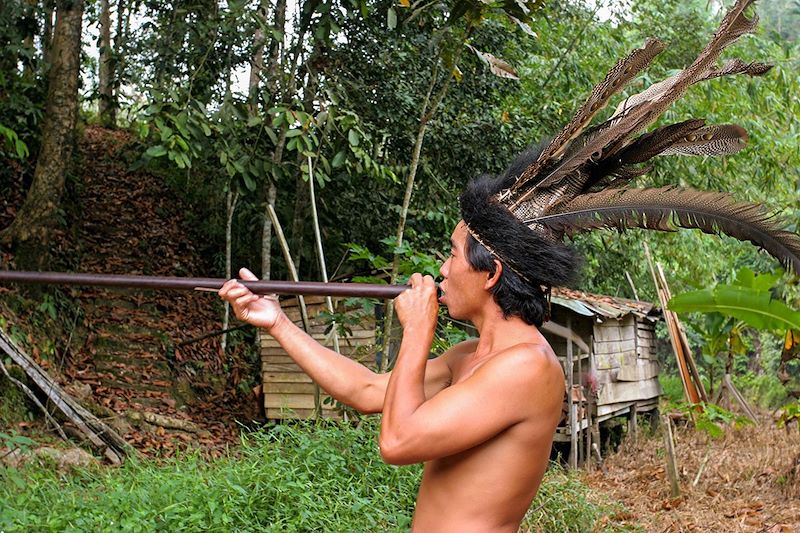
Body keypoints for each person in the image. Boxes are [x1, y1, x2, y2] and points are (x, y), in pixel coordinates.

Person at [219, 212, 572, 532]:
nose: (443, 271)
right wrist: (278, 322)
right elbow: (366, 390)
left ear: (491, 274)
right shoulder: (468, 356)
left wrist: (418, 330)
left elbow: (397, 442)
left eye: (451, 255)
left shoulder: (528, 365)